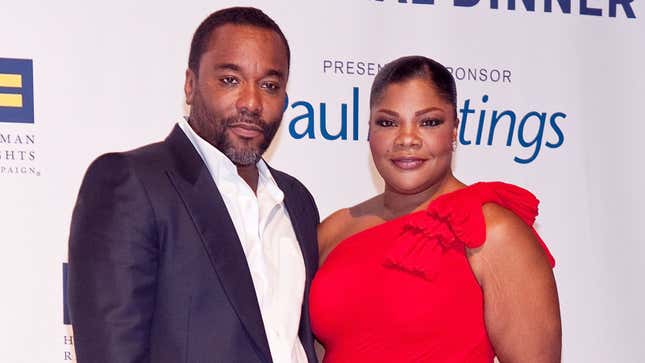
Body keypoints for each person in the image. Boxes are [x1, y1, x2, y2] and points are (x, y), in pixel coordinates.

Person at [67, 7, 319, 363]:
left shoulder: (297, 201)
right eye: (230, 80)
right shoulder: (131, 183)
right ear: (190, 84)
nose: (251, 102)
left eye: (270, 85)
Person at [310, 56, 561, 362]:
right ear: (369, 131)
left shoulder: (492, 230)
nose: (407, 139)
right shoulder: (335, 229)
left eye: (429, 122)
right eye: (388, 122)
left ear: (454, 130)